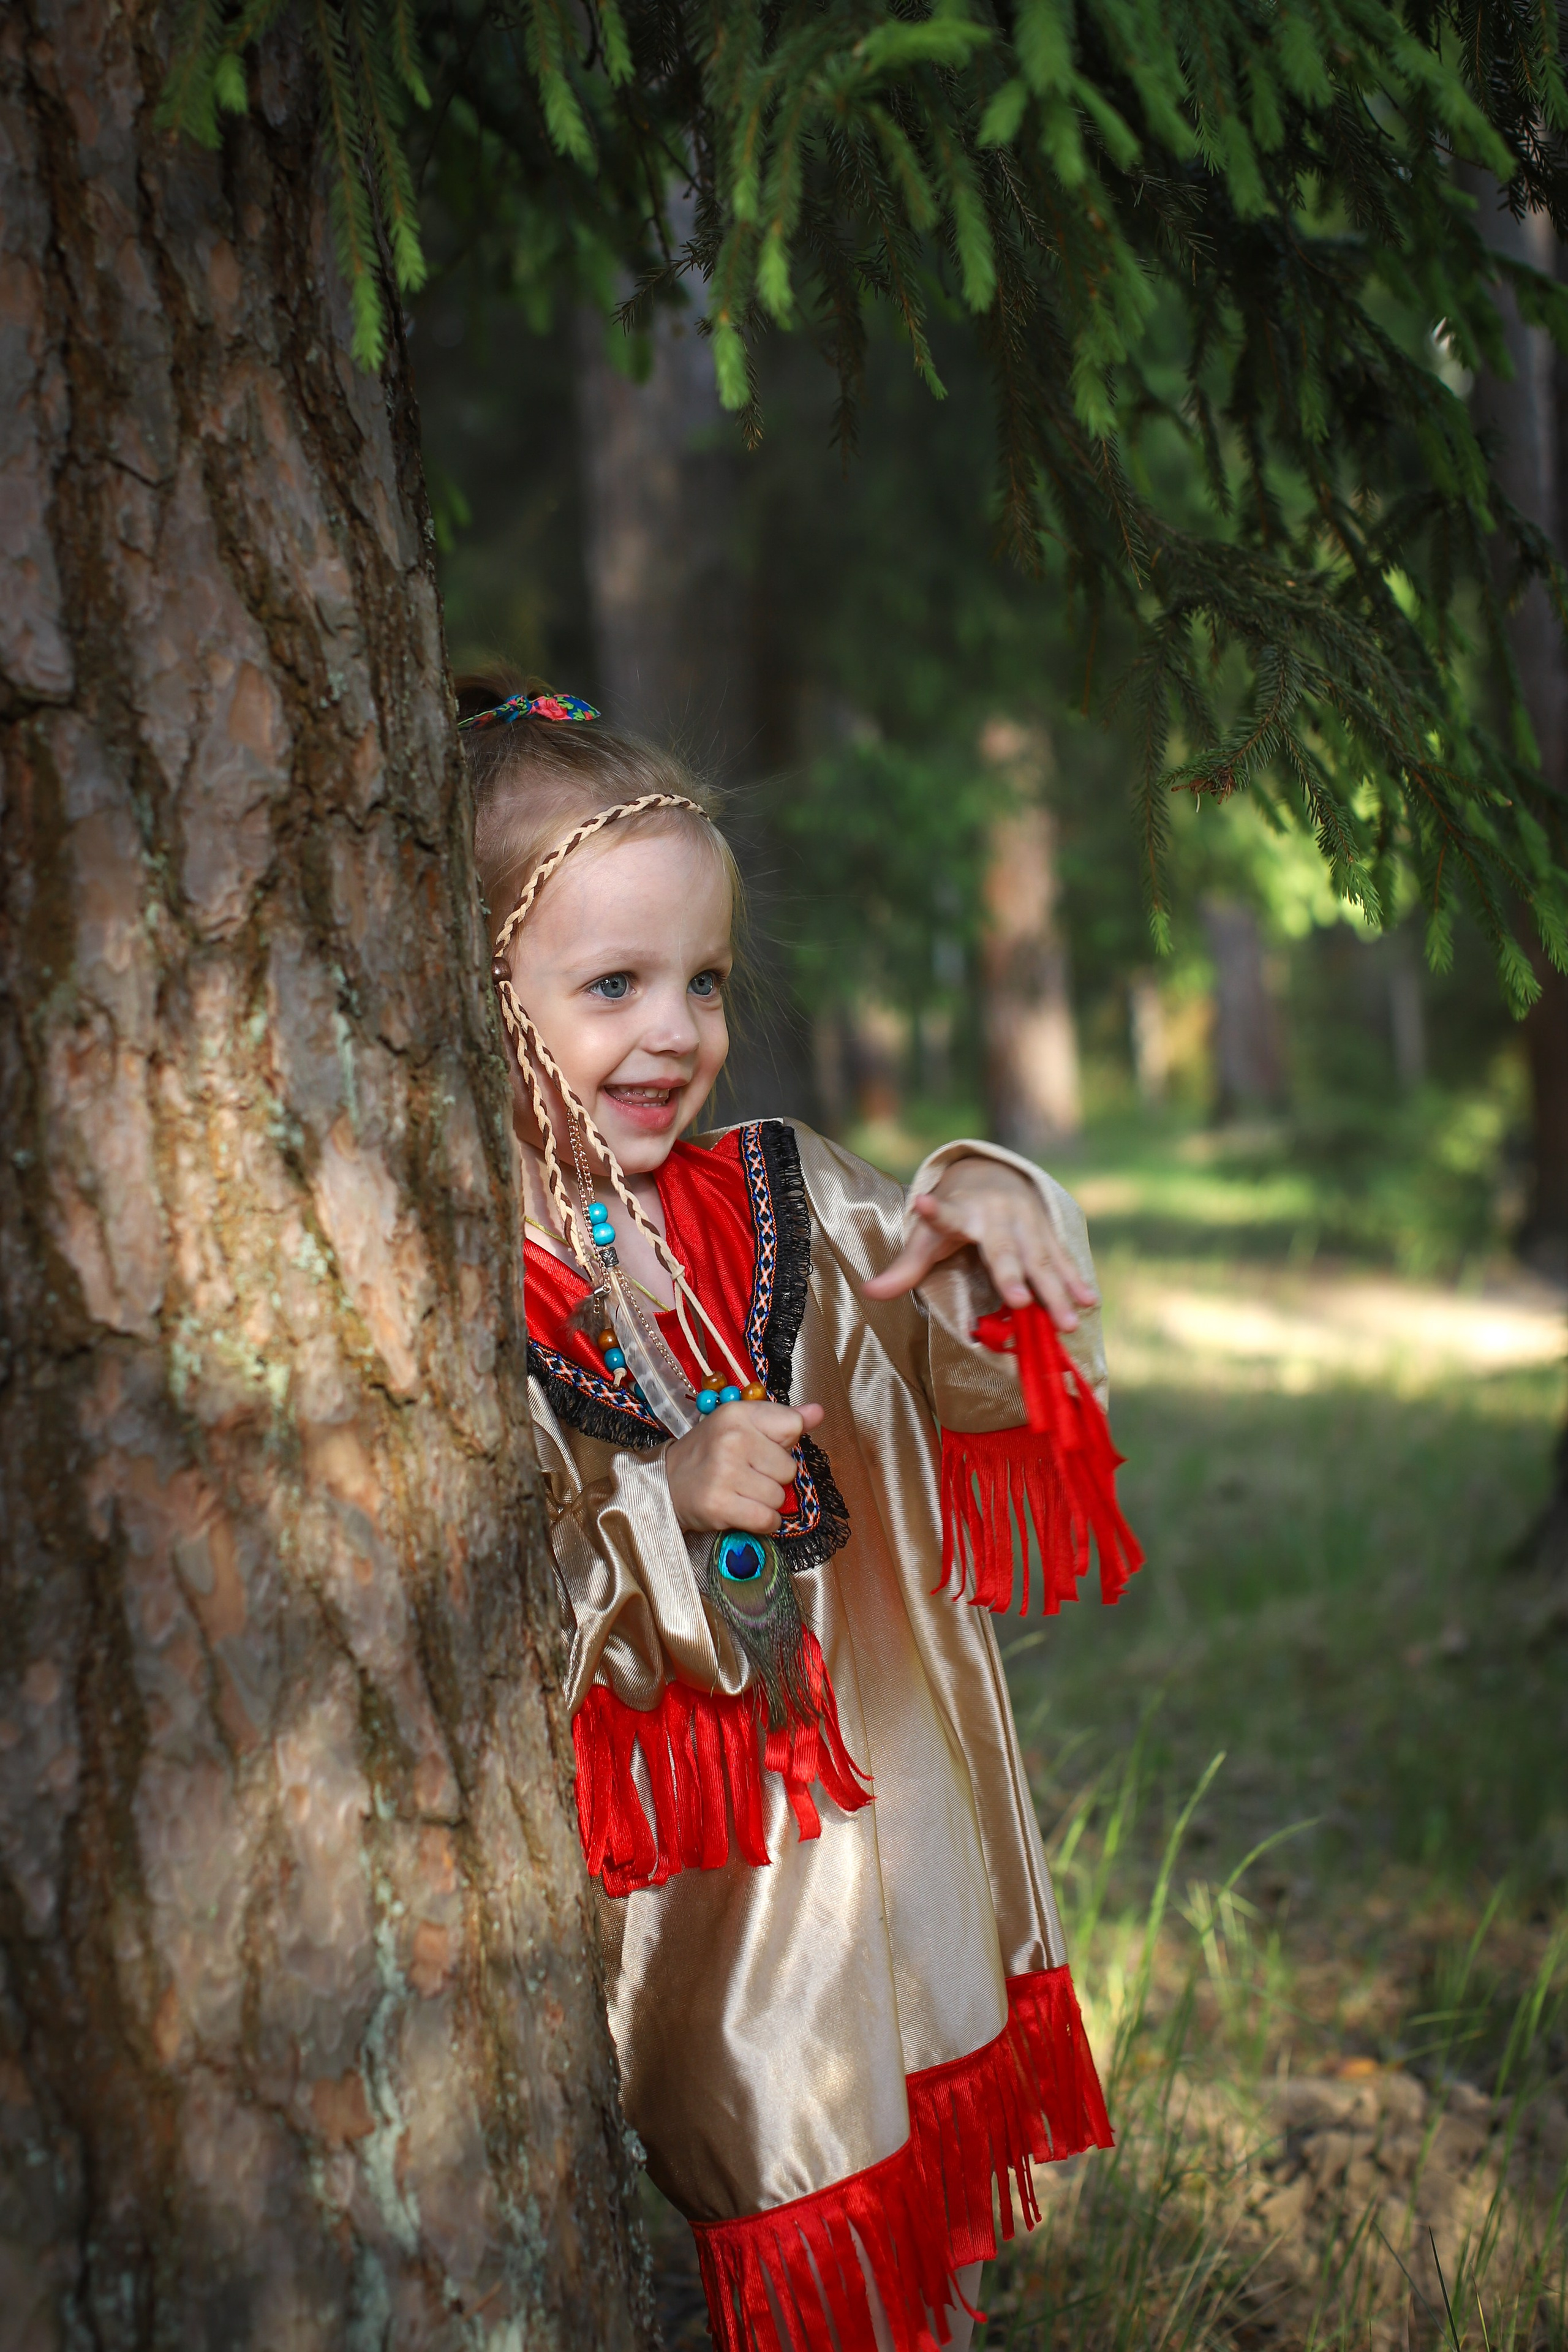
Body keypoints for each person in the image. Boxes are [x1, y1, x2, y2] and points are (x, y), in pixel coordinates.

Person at [458, 677, 1140, 2352]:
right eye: (610, 986)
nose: (677, 1033)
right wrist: (662, 1496)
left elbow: (957, 1344)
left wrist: (987, 1202)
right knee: (779, 2218)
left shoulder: (787, 1200)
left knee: (929, 2243)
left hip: (896, 1838)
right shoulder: (457, 1284)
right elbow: (487, 1604)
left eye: (699, 981)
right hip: (718, 1927)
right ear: (466, 990)